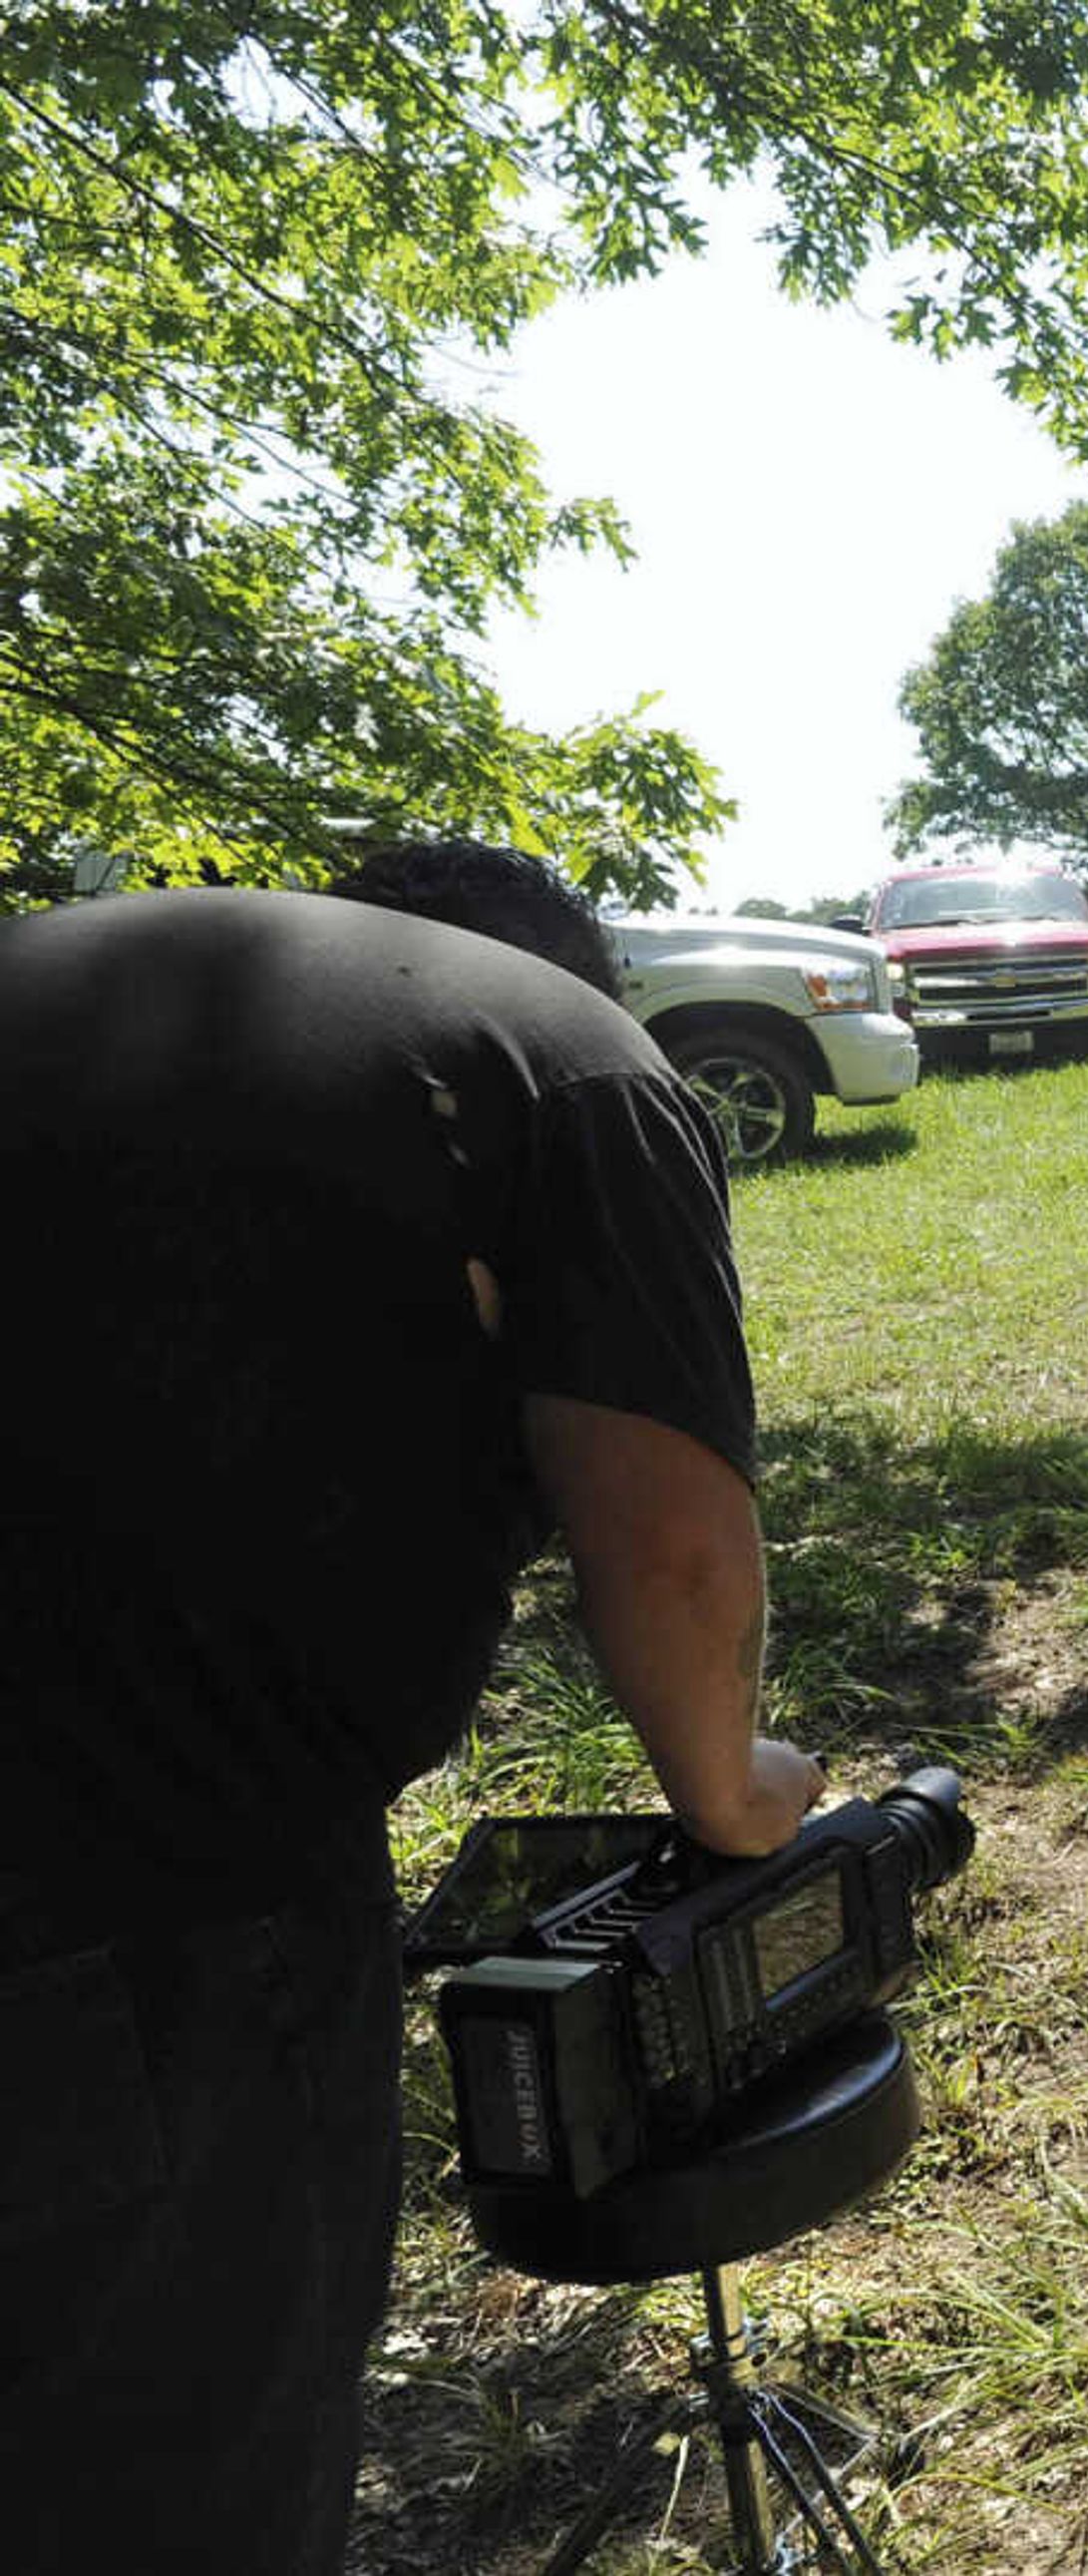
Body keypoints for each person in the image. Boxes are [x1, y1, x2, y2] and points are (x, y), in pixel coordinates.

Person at [0, 841, 828, 2575]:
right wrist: (732, 1786)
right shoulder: (570, 1059)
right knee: (167, 2492)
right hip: (142, 1920)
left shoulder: (90, 993)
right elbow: (672, 1549)